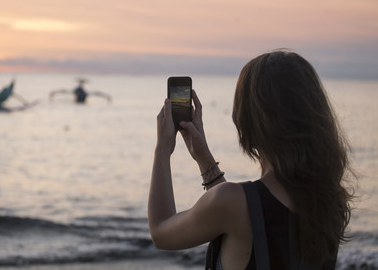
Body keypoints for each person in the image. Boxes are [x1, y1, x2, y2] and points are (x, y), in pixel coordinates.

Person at [148, 51, 354, 269]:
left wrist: (163, 149)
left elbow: (161, 232)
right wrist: (203, 157)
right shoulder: (331, 202)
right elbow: (255, 215)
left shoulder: (231, 202)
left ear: (248, 119)